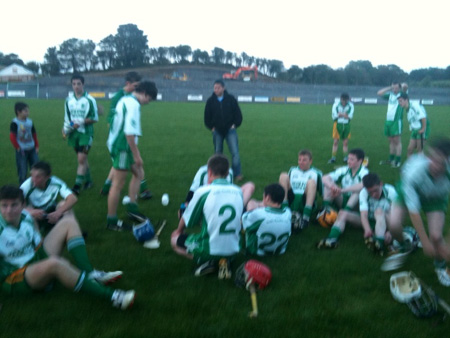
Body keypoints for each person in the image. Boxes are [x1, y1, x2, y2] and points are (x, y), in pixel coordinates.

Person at [0, 185, 134, 310]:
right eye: (4, 205)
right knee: (56, 264)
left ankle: (89, 273)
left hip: (33, 260)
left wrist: (45, 264)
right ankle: (114, 297)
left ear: (23, 205)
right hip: (15, 277)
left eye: (14, 205)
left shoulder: (26, 217)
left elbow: (38, 243)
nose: (9, 210)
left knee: (69, 222)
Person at [383, 138, 450, 286]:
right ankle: (403, 246)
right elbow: (414, 212)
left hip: (435, 198)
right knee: (393, 224)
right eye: (432, 158)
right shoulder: (414, 171)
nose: (434, 165)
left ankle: (440, 267)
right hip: (410, 190)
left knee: (437, 236)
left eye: (440, 162)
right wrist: (425, 242)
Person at [171, 154, 244, 279]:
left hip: (209, 248)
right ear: (228, 173)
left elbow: (188, 219)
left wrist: (178, 231)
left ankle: (207, 261)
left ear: (209, 172)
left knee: (174, 240)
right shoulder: (239, 191)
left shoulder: (203, 191)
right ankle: (225, 260)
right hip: (235, 248)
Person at [106, 81, 158, 231]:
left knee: (139, 173)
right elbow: (129, 133)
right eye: (149, 99)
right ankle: (112, 221)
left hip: (119, 144)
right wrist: (137, 155)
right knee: (118, 184)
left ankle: (132, 207)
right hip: (122, 147)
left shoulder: (125, 99)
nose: (148, 103)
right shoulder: (134, 105)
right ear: (144, 94)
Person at [100, 72, 152, 200]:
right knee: (126, 170)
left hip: (126, 138)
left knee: (132, 168)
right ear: (127, 84)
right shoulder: (119, 97)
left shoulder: (132, 97)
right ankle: (140, 192)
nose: (137, 88)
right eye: (135, 86)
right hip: (121, 139)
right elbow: (112, 117)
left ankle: (107, 188)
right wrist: (113, 127)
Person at [317, 172, 396, 252]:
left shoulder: (391, 192)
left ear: (381, 184)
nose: (373, 195)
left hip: (384, 221)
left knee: (379, 211)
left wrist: (390, 232)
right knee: (342, 213)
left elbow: (396, 216)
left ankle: (379, 242)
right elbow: (364, 214)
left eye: (375, 190)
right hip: (368, 219)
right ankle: (332, 239)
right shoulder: (364, 192)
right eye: (370, 192)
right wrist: (367, 229)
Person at [319, 148, 369, 248]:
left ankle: (344, 214)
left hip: (357, 206)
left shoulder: (364, 172)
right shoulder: (344, 170)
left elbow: (363, 185)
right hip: (344, 200)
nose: (348, 161)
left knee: (357, 192)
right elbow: (324, 177)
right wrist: (333, 187)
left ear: (360, 161)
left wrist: (342, 190)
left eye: (351, 159)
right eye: (348, 158)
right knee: (328, 185)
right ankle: (325, 211)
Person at [63, 74, 98, 195]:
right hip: (74, 134)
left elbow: (94, 118)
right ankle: (89, 181)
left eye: (78, 84)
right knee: (82, 159)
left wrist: (81, 121)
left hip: (86, 134)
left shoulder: (89, 100)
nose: (76, 86)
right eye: (74, 84)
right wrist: (66, 129)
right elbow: (68, 118)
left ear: (83, 84)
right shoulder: (68, 101)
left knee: (81, 159)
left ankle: (77, 187)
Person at [20, 161, 77, 235]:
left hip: (51, 212)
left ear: (47, 177)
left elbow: (73, 198)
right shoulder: (26, 186)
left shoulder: (55, 183)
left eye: (37, 177)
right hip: (35, 214)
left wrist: (58, 212)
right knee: (28, 210)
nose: (33, 179)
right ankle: (38, 240)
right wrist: (31, 211)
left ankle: (73, 231)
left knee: (63, 204)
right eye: (32, 175)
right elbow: (16, 205)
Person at [204, 79, 244, 181]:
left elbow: (238, 115)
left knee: (235, 152)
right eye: (215, 88)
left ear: (223, 88)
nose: (216, 90)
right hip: (217, 131)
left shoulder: (231, 99)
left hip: (230, 130)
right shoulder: (210, 101)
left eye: (218, 88)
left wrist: (235, 125)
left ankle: (237, 174)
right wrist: (211, 127)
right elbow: (207, 117)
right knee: (218, 153)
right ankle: (218, 174)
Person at [279, 149, 323, 231]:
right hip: (291, 200)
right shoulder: (292, 170)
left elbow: (323, 193)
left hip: (305, 200)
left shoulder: (317, 173)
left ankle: (306, 217)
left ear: (310, 161)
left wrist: (326, 206)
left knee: (311, 182)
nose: (301, 162)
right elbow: (286, 184)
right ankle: (284, 210)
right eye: (299, 160)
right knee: (283, 175)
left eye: (304, 160)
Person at [243, 183, 292, 256]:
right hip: (280, 251)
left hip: (258, 251)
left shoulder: (258, 214)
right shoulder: (288, 212)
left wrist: (251, 206)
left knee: (247, 223)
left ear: (268, 197)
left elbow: (243, 222)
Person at [377, 82, 408, 168]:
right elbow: (379, 93)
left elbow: (405, 86)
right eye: (393, 88)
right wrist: (389, 87)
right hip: (388, 121)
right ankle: (391, 159)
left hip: (396, 121)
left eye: (396, 88)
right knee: (391, 141)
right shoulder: (390, 95)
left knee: (397, 142)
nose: (395, 89)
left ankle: (397, 161)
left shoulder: (402, 94)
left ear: (399, 88)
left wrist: (401, 86)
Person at [9, 102, 39, 185]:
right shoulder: (15, 123)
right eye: (25, 111)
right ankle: (22, 189)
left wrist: (36, 146)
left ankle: (35, 184)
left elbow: (34, 134)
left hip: (32, 148)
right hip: (22, 150)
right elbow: (12, 136)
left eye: (28, 111)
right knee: (22, 169)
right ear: (19, 112)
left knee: (36, 167)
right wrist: (18, 147)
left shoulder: (30, 122)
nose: (28, 113)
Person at [397, 92, 430, 157]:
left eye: (401, 101)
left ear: (406, 100)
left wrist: (423, 129)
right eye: (398, 101)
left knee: (419, 150)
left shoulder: (414, 105)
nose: (399, 103)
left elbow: (423, 117)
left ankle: (422, 166)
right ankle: (410, 166)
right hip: (415, 130)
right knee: (409, 149)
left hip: (421, 129)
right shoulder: (407, 108)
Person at [328, 93, 354, 164]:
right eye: (343, 101)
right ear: (341, 99)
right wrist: (344, 115)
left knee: (345, 143)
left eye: (346, 101)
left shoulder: (350, 105)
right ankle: (333, 158)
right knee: (335, 142)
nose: (344, 102)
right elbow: (335, 115)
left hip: (346, 125)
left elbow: (350, 116)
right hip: (337, 125)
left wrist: (341, 115)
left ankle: (345, 158)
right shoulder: (336, 104)